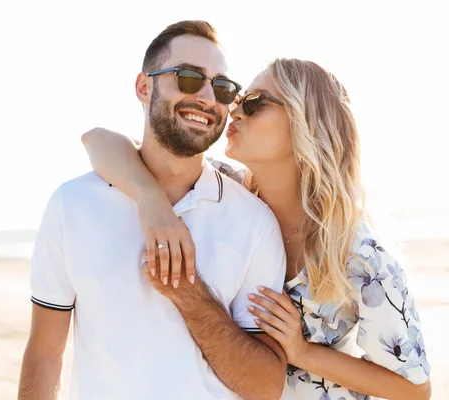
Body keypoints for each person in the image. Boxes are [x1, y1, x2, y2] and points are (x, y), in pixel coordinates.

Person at [81, 58, 432, 399]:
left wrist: (302, 352)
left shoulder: (359, 253)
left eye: (254, 103)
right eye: (237, 100)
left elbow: (414, 389)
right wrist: (150, 201)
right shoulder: (228, 192)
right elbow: (98, 140)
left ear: (304, 121)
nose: (233, 111)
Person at [18, 20, 289, 400]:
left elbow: (266, 386)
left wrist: (189, 294)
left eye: (223, 88)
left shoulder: (254, 222)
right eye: (189, 78)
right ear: (144, 88)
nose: (209, 99)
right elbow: (45, 354)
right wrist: (150, 200)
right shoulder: (72, 205)